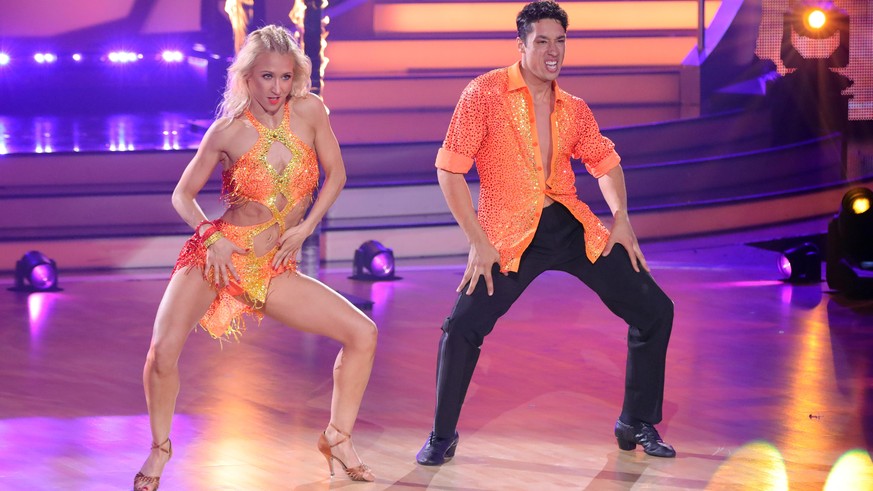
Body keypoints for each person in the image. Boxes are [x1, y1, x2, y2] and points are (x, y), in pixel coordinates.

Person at [416, 0, 676, 466]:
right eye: (542, 41)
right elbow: (449, 170)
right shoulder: (484, 93)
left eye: (560, 42)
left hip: (569, 227)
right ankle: (441, 435)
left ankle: (635, 420)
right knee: (462, 327)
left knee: (655, 309)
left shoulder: (573, 108)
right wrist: (477, 240)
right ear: (521, 44)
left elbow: (606, 162)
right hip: (508, 235)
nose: (552, 51)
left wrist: (621, 219)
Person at [133, 25, 377, 491]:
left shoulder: (310, 112)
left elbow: (337, 174)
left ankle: (337, 438)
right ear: (246, 78)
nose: (277, 88)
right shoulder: (226, 132)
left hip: (272, 268)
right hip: (219, 258)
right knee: (162, 353)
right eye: (267, 77)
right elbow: (182, 196)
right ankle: (160, 448)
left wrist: (306, 227)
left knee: (362, 333)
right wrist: (211, 236)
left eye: (286, 77)